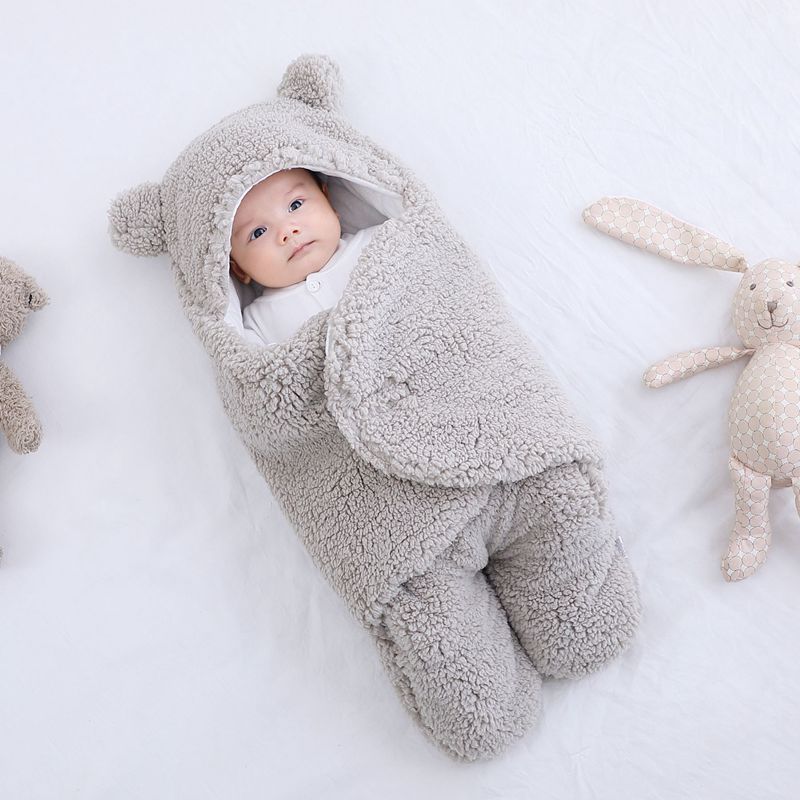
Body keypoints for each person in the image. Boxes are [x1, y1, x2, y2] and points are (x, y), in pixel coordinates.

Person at [229, 167, 379, 345]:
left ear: (328, 202)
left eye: (295, 205)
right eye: (259, 232)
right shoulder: (257, 324)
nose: (287, 231)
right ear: (239, 269)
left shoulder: (378, 244)